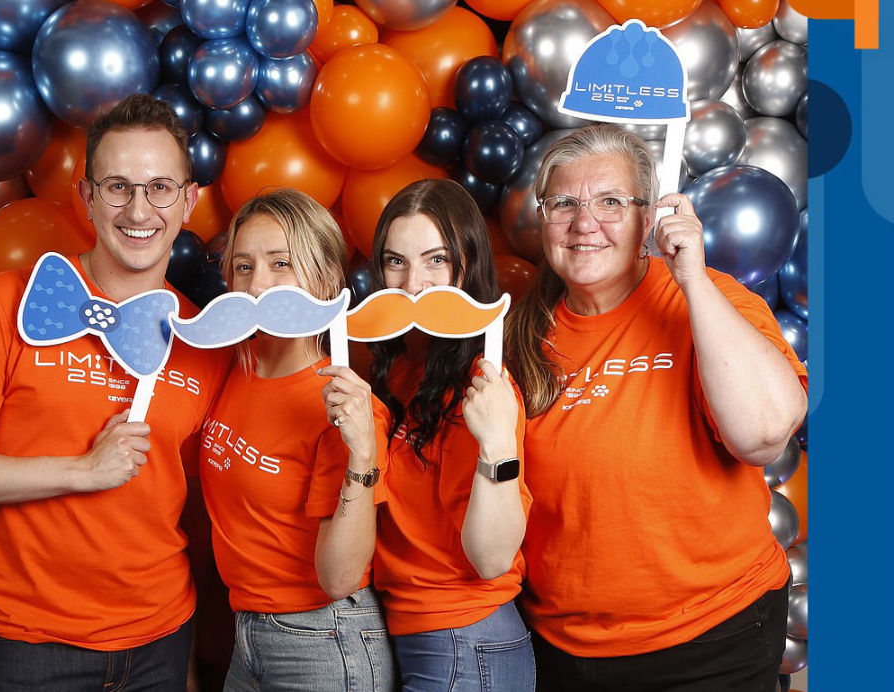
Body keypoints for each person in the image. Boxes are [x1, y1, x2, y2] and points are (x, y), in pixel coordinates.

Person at [0, 94, 231, 692]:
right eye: (117, 187)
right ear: (85, 196)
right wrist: (81, 470)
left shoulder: (202, 341)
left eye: (160, 187)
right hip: (34, 647)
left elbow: (186, 505)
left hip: (162, 637)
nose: (139, 208)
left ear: (188, 200)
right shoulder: (6, 302)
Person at [505, 123, 808, 692]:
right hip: (563, 651)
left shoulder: (708, 297)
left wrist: (690, 277)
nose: (584, 222)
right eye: (564, 202)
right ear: (543, 219)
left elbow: (764, 435)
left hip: (715, 638)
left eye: (611, 202)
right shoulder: (517, 334)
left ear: (650, 218)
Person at [197, 188, 397, 692]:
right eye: (243, 267)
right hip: (248, 632)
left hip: (324, 639)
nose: (258, 284)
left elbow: (339, 578)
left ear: (326, 278)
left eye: (280, 263)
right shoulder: (231, 366)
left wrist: (362, 452)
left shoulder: (343, 402)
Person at [366, 179, 536, 691]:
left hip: (466, 638)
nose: (413, 284)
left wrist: (499, 443)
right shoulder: (401, 369)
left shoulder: (484, 383)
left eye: (435, 259)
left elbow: (491, 559)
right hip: (415, 631)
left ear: (467, 265)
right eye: (396, 262)